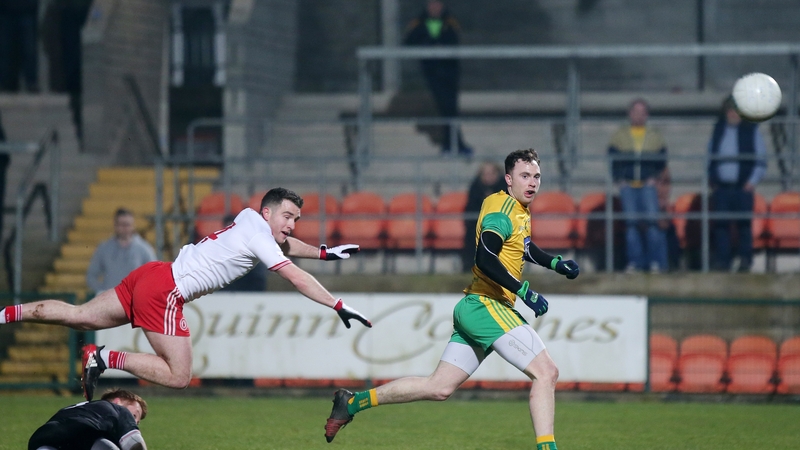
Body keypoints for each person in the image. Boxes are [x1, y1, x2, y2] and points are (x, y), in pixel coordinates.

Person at [0, 188, 371, 401]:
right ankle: (103, 356)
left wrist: (322, 252)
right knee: (179, 375)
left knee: (78, 315)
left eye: (296, 220)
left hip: (153, 273)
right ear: (268, 212)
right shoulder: (260, 235)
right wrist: (336, 303)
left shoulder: (247, 218)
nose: (291, 225)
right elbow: (295, 276)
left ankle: (5, 314)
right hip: (166, 291)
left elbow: (285, 247)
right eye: (288, 217)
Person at [324, 149, 579, 449]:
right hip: (487, 304)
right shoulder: (502, 210)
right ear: (508, 179)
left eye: (536, 176)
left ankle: (352, 403)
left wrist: (554, 263)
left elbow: (523, 246)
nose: (532, 182)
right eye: (525, 176)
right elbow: (484, 258)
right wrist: (524, 291)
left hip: (474, 306)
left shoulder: (515, 208)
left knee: (438, 387)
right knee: (546, 372)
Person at [608, 98, 669, 273]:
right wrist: (619, 179)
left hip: (648, 186)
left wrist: (655, 177)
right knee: (631, 224)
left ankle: (656, 262)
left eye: (642, 112)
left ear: (647, 115)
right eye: (635, 111)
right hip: (628, 187)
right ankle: (635, 262)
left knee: (652, 223)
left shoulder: (655, 135)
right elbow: (612, 159)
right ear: (630, 114)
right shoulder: (619, 135)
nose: (638, 115)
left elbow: (662, 158)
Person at [404, 0, 472, 156]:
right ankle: (452, 144)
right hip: (432, 72)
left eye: (438, 5)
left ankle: (454, 144)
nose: (435, 8)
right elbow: (409, 41)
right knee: (445, 108)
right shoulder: (418, 23)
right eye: (432, 5)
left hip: (449, 72)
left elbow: (455, 40)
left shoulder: (450, 22)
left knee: (450, 108)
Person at [707, 96, 767, 272]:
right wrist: (711, 178)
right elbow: (709, 156)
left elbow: (761, 160)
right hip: (722, 188)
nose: (733, 114)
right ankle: (722, 261)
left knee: (743, 226)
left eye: (736, 111)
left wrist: (752, 182)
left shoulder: (751, 130)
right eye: (730, 110)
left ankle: (745, 260)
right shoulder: (718, 130)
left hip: (742, 188)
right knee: (721, 226)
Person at [28, 388, 148, 450]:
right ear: (117, 401)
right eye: (134, 416)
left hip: (42, 439)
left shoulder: (80, 408)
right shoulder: (119, 410)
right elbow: (135, 444)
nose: (134, 423)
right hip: (83, 431)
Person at [86, 208, 158, 294]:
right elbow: (91, 275)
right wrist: (102, 291)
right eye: (121, 224)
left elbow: (155, 276)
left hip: (134, 301)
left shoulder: (144, 249)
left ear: (133, 226)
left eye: (127, 225)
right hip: (110, 301)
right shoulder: (104, 248)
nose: (124, 228)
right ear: (115, 225)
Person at [462, 161, 506, 271]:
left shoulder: (505, 187)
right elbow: (470, 207)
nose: (488, 177)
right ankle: (470, 266)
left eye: (491, 173)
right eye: (485, 174)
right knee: (472, 233)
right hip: (478, 224)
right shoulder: (475, 187)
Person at [0, 0, 39, 92]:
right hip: (7, 12)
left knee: (28, 49)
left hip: (25, 11)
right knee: (7, 50)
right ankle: (8, 82)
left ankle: (30, 82)